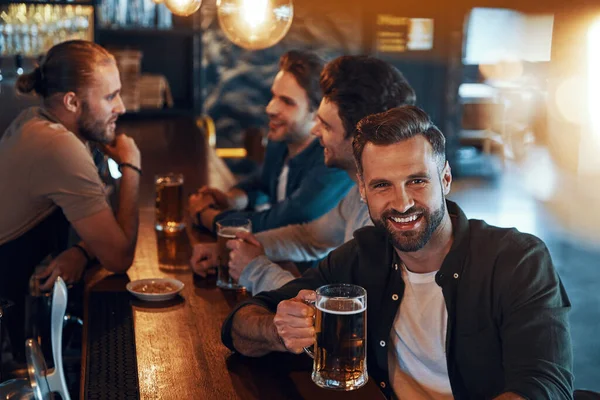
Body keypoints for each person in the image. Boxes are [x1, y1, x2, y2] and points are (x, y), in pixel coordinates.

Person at [220, 106, 574, 399]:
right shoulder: (362, 256)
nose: (402, 203)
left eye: (417, 181)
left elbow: (544, 385)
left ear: (445, 179)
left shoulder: (518, 260)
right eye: (382, 185)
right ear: (362, 190)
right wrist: (276, 328)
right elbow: (237, 326)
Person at [190, 56, 416, 294]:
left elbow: (334, 308)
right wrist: (232, 250)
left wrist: (254, 268)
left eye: (327, 126)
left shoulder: (388, 217)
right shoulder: (359, 190)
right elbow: (309, 237)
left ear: (362, 140)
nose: (315, 131)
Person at [0, 40, 140, 359]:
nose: (121, 107)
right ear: (73, 102)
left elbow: (101, 221)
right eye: (110, 96)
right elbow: (119, 257)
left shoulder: (35, 120)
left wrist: (81, 251)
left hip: (24, 312)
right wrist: (132, 166)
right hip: (11, 339)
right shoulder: (58, 147)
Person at [189, 50, 353, 234]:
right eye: (274, 96)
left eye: (287, 102)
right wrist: (230, 199)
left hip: (309, 262)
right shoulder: (281, 140)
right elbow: (261, 182)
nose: (270, 108)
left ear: (317, 114)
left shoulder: (332, 162)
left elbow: (280, 221)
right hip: (273, 256)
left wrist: (206, 216)